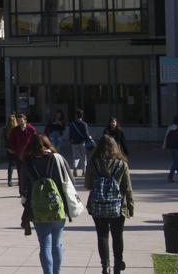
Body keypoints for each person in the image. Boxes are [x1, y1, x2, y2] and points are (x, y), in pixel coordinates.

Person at [20, 134, 76, 274]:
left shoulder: (27, 162)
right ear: (47, 144)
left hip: (38, 209)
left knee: (45, 245)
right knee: (56, 244)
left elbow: (22, 188)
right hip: (58, 207)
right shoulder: (58, 159)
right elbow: (72, 182)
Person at [84, 135, 133, 274]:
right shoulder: (121, 164)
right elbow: (127, 188)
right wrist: (130, 207)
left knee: (102, 235)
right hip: (117, 206)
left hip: (98, 205)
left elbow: (87, 184)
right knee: (118, 236)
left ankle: (105, 266)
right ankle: (118, 264)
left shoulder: (93, 163)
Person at [8, 113, 38, 191]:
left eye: (21, 121)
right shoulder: (15, 130)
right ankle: (21, 191)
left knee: (30, 172)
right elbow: (11, 141)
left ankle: (31, 190)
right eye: (19, 121)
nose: (20, 122)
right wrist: (13, 149)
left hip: (30, 154)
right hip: (19, 155)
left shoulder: (31, 129)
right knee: (20, 173)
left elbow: (36, 140)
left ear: (25, 120)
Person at [68, 109, 92, 177]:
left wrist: (70, 140)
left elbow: (70, 134)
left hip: (74, 142)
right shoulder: (84, 124)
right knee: (83, 158)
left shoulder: (72, 124)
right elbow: (86, 134)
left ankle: (75, 169)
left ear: (76, 115)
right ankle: (83, 172)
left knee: (75, 157)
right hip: (82, 142)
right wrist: (89, 138)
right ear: (82, 116)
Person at [2, 113, 20, 186]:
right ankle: (20, 180)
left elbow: (4, 140)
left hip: (9, 149)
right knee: (19, 166)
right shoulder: (18, 129)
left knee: (10, 165)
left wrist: (7, 148)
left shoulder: (5, 129)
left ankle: (9, 181)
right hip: (17, 149)